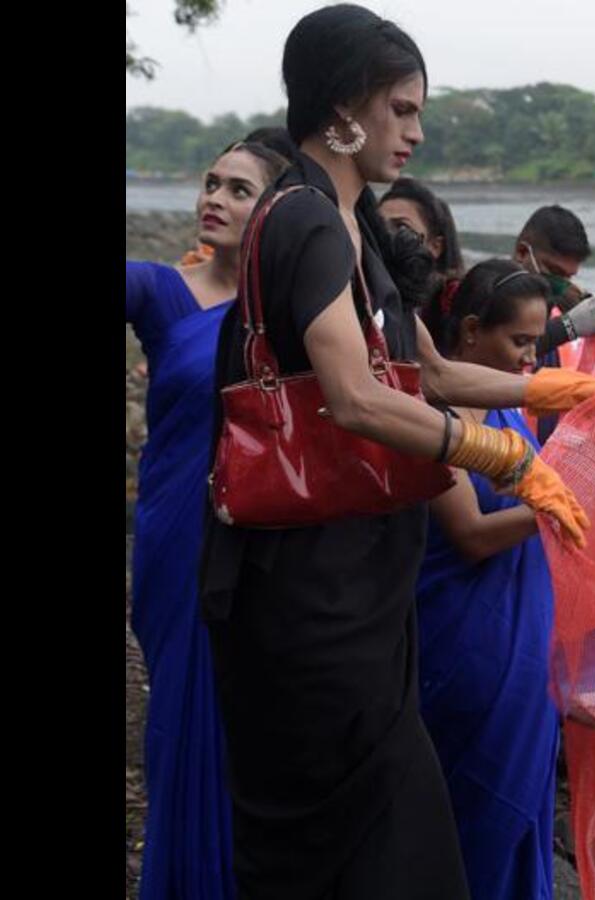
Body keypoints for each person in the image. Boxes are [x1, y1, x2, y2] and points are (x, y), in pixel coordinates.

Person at [197, 7, 595, 896]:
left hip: (366, 575)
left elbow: (434, 372)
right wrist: (509, 460)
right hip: (308, 581)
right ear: (343, 106)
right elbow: (357, 396)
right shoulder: (303, 218)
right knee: (328, 831)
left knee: (389, 821)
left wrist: (562, 389)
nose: (415, 131)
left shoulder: (357, 218)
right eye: (401, 109)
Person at [126, 136, 290, 900]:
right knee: (180, 726)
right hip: (176, 539)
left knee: (252, 728)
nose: (214, 200)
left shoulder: (299, 316)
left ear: (278, 215)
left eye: (239, 190)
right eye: (210, 183)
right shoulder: (164, 293)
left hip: (264, 548)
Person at [412, 259, 564, 899]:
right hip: (464, 639)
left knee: (522, 801)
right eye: (520, 343)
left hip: (522, 636)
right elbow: (471, 534)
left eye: (536, 343)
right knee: (471, 809)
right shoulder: (430, 411)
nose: (531, 360)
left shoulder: (504, 411)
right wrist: (558, 509)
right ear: (471, 331)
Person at [511, 205, 595, 442]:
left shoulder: (561, 302)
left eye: (568, 276)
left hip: (546, 438)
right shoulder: (491, 293)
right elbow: (498, 355)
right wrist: (568, 327)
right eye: (554, 271)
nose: (560, 283)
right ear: (522, 253)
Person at [379, 176, 463, 278]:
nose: (386, 233)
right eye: (379, 225)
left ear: (435, 246)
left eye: (401, 227)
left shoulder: (461, 292)